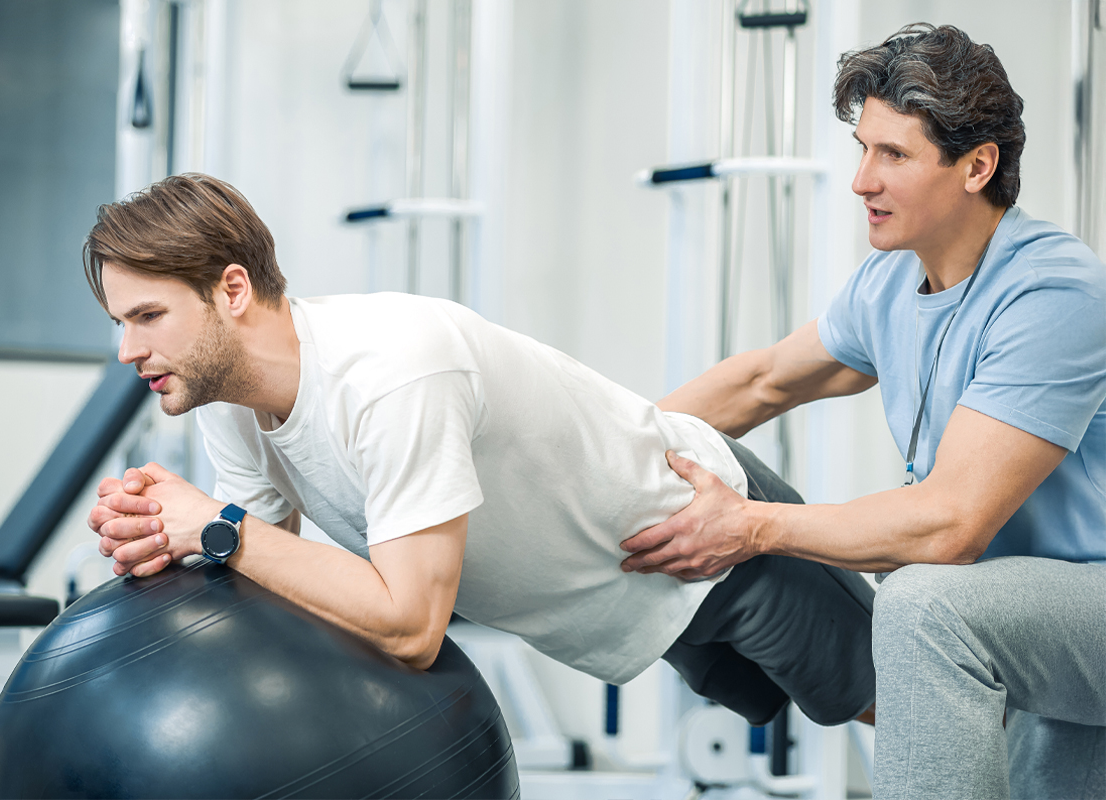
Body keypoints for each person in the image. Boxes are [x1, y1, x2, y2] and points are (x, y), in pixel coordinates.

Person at [83, 172, 876, 732]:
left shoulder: (391, 371)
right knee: (811, 712)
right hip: (629, 605)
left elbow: (410, 625)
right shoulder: (230, 398)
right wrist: (163, 535)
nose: (127, 350)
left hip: (720, 543)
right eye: (121, 322)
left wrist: (215, 526)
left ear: (230, 291)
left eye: (146, 316)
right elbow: (258, 565)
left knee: (902, 713)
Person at [620, 23, 1106, 799]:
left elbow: (950, 525)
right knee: (691, 473)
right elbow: (763, 382)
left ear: (978, 166)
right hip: (1001, 602)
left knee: (923, 602)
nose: (861, 181)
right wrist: (610, 448)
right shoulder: (888, 285)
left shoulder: (1053, 292)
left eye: (894, 155)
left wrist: (749, 528)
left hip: (1088, 603)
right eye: (862, 149)